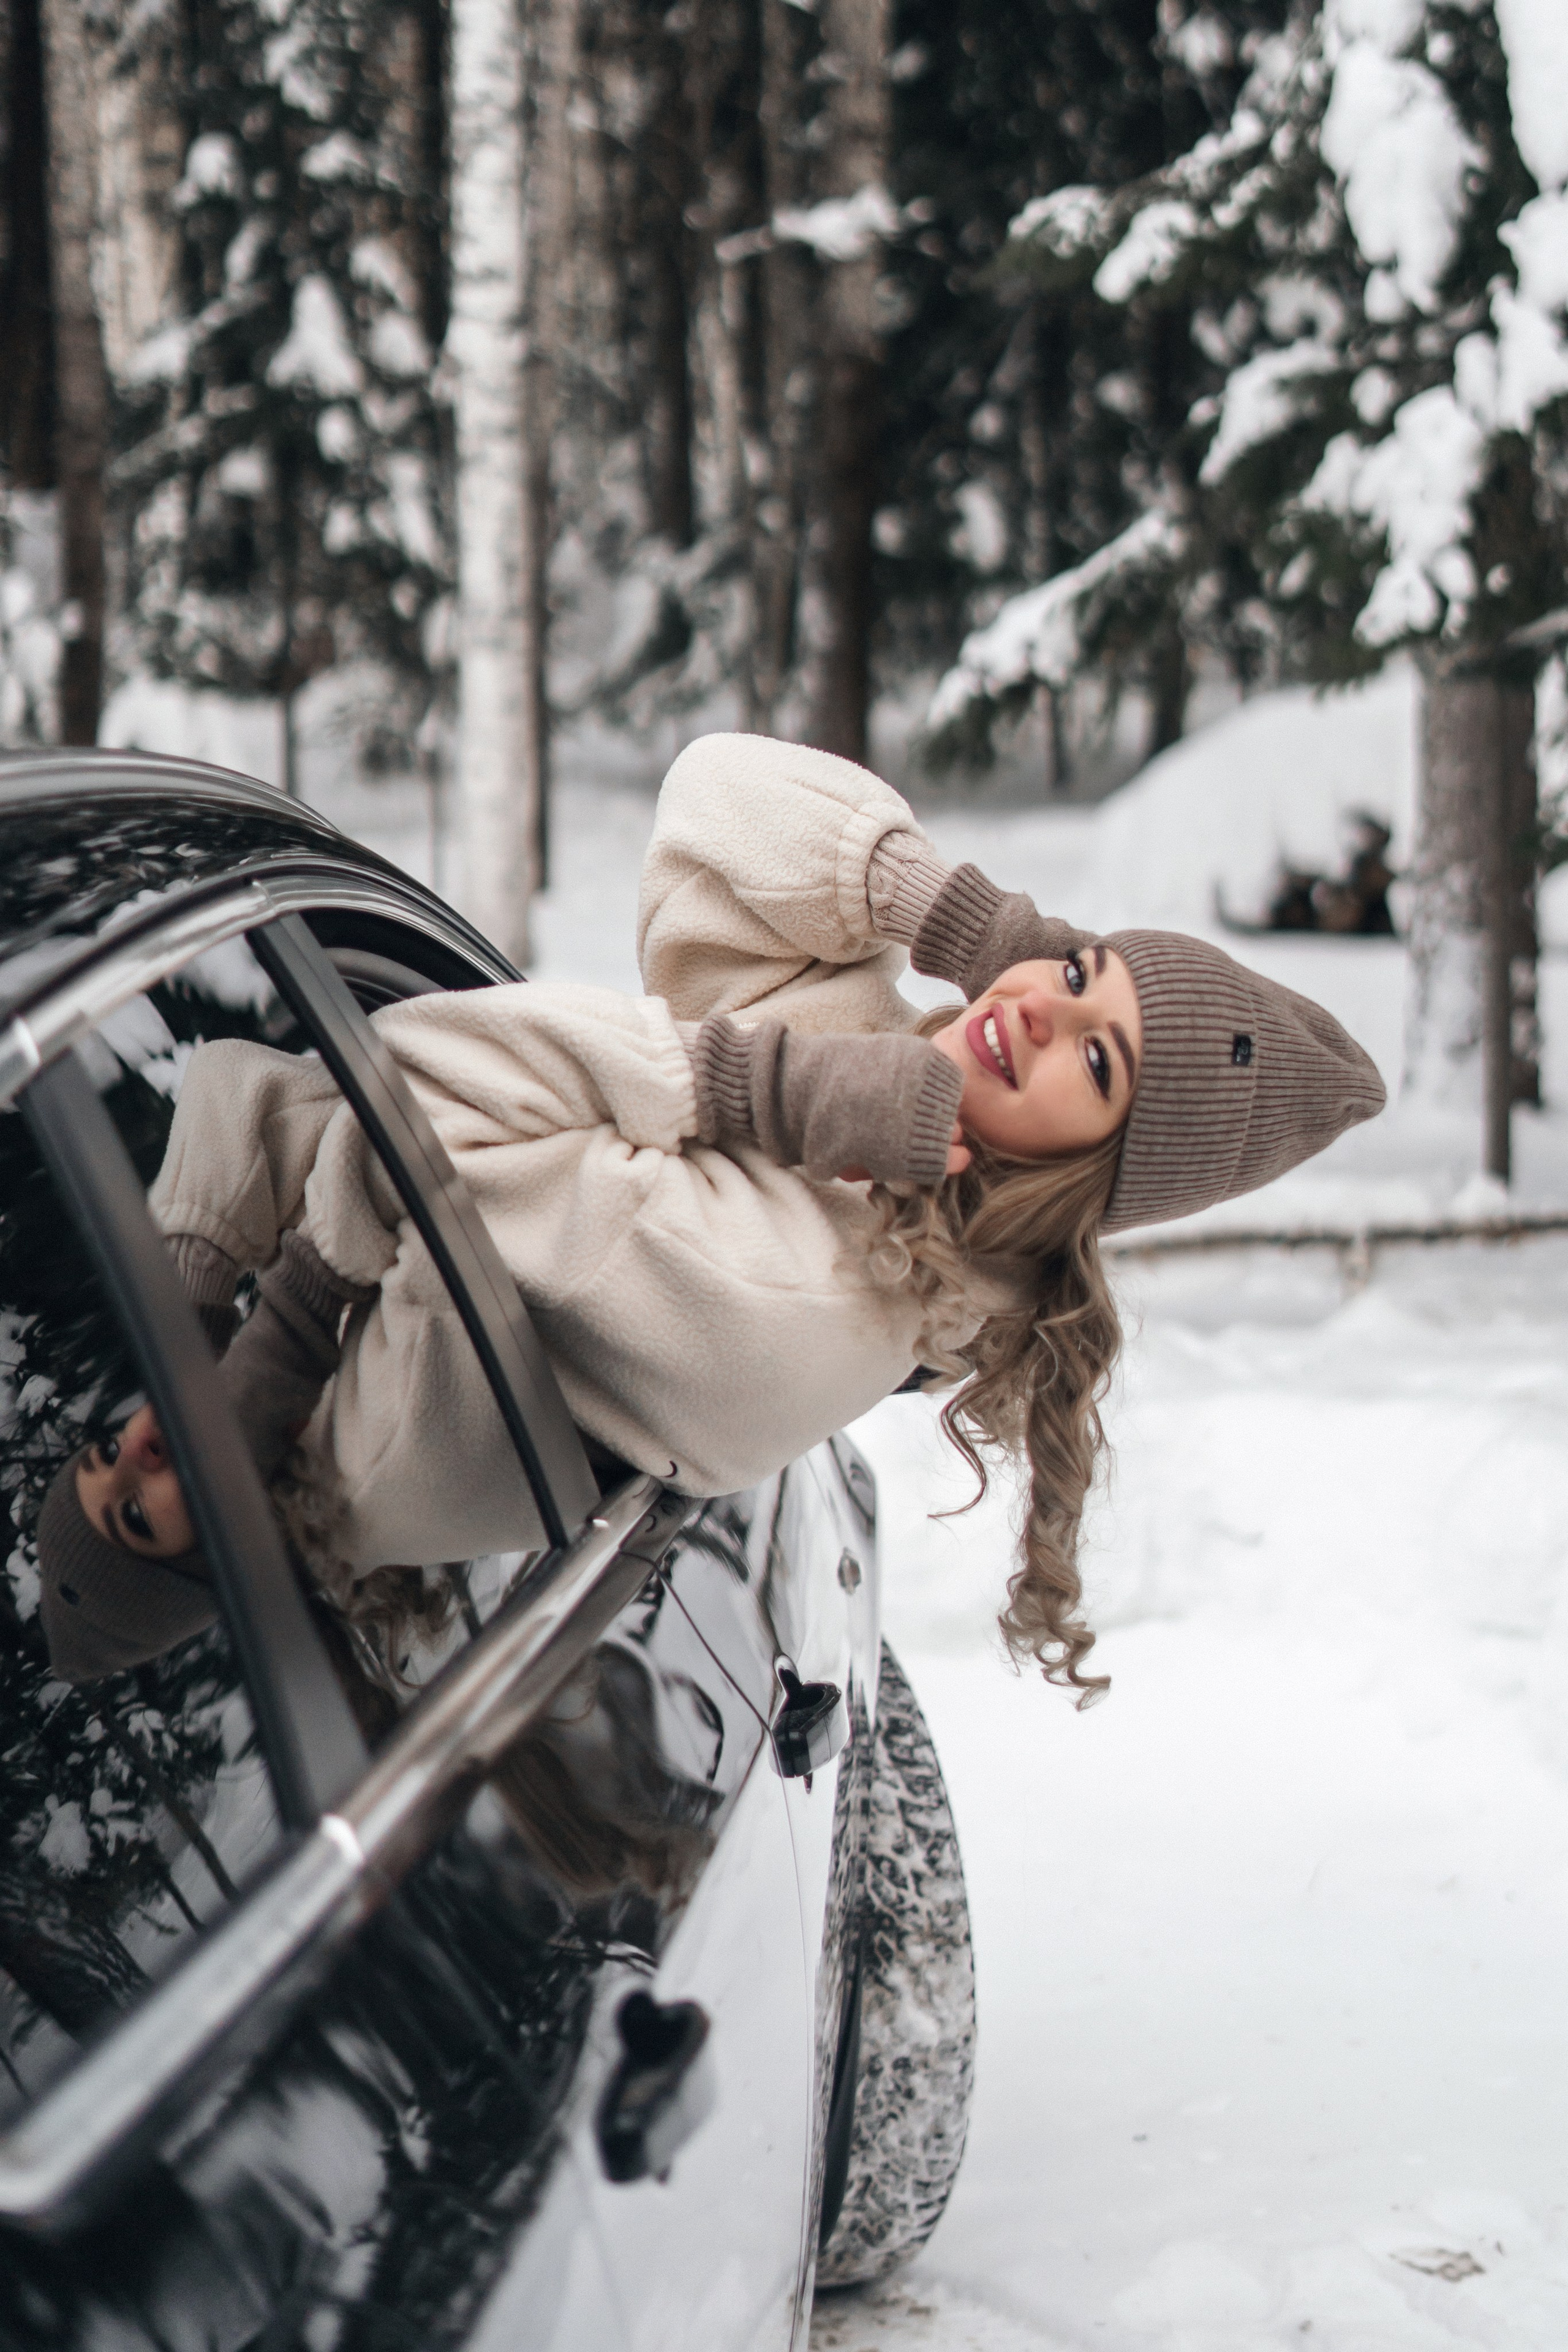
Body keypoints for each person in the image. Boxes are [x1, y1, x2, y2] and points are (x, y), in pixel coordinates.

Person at [36, 733, 1384, 1700]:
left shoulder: (798, 1295)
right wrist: (978, 932)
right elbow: (715, 807)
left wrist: (769, 1085)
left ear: (1091, 1181)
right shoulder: (890, 1124)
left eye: (1094, 1061)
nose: (1039, 1011)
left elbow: (414, 1107)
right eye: (1079, 975)